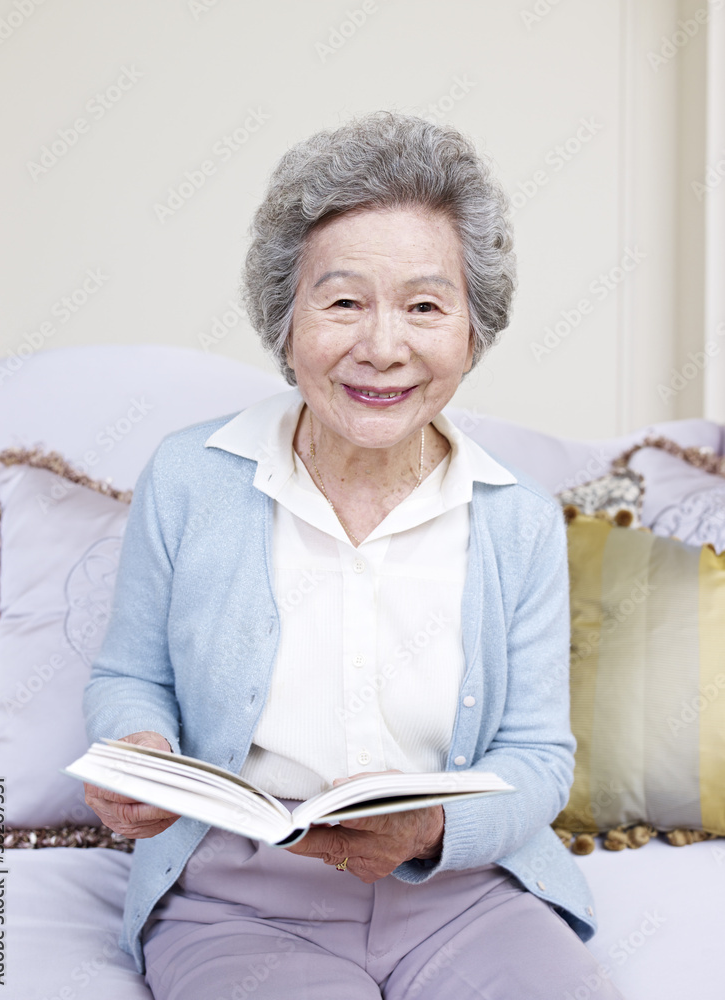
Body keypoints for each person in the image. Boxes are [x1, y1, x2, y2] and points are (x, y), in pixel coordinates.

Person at [83, 112, 626, 999]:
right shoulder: (188, 477)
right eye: (342, 302)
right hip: (237, 905)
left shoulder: (518, 519)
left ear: (471, 331)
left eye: (424, 306)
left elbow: (537, 756)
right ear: (284, 319)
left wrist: (429, 829)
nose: (382, 347)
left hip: (465, 898)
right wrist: (134, 745)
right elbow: (127, 675)